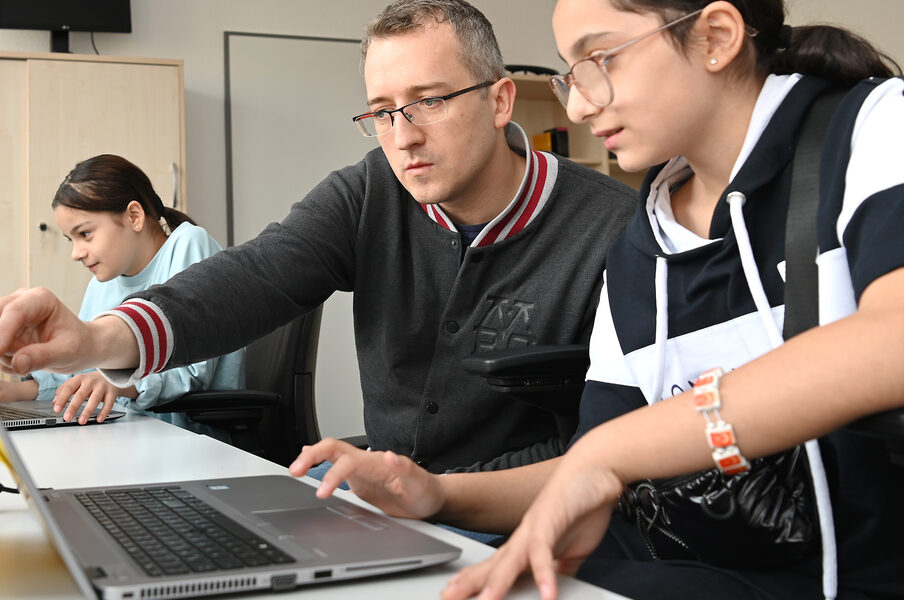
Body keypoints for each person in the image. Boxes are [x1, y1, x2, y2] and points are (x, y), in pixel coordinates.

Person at [289, 0, 904, 598]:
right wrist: (437, 493)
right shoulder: (642, 244)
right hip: (687, 555)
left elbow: (890, 342)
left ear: (715, 37)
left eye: (601, 59)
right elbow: (587, 469)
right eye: (570, 74)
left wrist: (611, 454)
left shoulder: (875, 129)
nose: (580, 105)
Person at [0, 0, 635, 475]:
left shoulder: (608, 225)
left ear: (499, 101)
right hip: (390, 499)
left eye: (429, 101)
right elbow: (253, 276)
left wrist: (439, 494)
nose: (402, 135)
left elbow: (611, 445)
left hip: (524, 516)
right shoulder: (371, 189)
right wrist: (97, 341)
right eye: (381, 111)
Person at [0, 154, 243, 439]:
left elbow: (191, 372)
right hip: (124, 435)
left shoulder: (189, 245)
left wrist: (119, 383)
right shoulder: (104, 279)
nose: (75, 253)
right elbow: (83, 373)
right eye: (71, 239)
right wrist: (17, 392)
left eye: (85, 234)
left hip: (186, 441)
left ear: (134, 216)